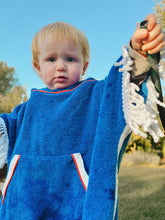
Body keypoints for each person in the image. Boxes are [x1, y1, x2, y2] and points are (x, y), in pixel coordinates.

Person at [0, 14, 164, 219]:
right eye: (51, 59)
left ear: (84, 66)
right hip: (22, 205)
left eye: (70, 59)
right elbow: (3, 131)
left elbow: (120, 88)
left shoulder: (94, 96)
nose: (61, 66)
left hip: (75, 202)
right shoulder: (25, 110)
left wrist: (137, 52)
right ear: (37, 66)